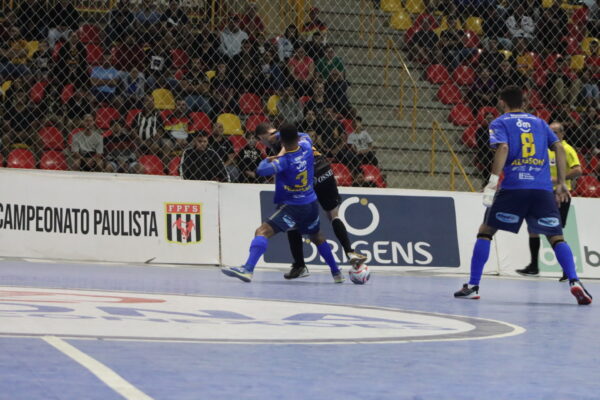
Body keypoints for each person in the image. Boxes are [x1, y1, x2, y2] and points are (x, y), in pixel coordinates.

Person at [454, 86, 592, 305]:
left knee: (486, 231)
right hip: (542, 189)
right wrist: (562, 183)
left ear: (501, 102)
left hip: (514, 187)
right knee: (556, 237)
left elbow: (504, 149)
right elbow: (558, 146)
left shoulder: (500, 122)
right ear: (524, 101)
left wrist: (492, 182)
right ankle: (575, 281)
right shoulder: (540, 122)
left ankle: (473, 285)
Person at [221, 123, 345, 283]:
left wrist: (273, 157)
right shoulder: (307, 147)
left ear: (282, 142)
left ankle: (247, 269)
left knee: (261, 232)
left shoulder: (283, 161)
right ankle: (337, 273)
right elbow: (304, 135)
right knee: (316, 236)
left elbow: (261, 170)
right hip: (311, 203)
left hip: (293, 206)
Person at [255, 122, 366, 279]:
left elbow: (277, 167)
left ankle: (300, 265)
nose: (264, 142)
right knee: (333, 215)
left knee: (293, 219)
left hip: (308, 179)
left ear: (263, 136)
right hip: (326, 171)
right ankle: (350, 252)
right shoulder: (296, 136)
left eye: (262, 139)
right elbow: (305, 138)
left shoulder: (280, 142)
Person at [516, 122, 582, 281]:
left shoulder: (566, 149)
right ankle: (533, 266)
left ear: (562, 134)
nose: (550, 135)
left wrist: (559, 179)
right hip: (542, 193)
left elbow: (578, 170)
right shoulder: (543, 150)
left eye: (554, 132)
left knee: (554, 232)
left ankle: (568, 269)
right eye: (549, 132)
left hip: (560, 195)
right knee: (533, 228)